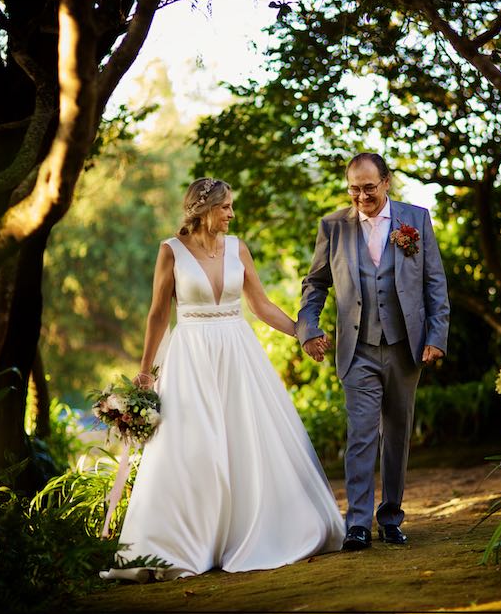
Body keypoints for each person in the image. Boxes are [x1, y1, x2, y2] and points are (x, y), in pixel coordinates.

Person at [99, 177, 344, 582]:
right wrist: (145, 371)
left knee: (245, 440)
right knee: (193, 447)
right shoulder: (170, 252)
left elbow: (261, 305)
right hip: (191, 357)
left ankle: (251, 532)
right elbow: (158, 313)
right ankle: (190, 541)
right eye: (226, 207)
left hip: (237, 352)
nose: (232, 214)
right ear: (203, 208)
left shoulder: (237, 248)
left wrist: (304, 334)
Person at [297, 153, 450, 551]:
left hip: (405, 346)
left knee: (397, 435)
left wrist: (437, 335)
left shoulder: (415, 220)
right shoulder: (333, 227)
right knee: (361, 435)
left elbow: (435, 283)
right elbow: (315, 284)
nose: (361, 196)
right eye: (354, 188)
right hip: (357, 347)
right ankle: (358, 524)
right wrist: (308, 328)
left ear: (386, 183)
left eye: (369, 187)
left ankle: (392, 517)